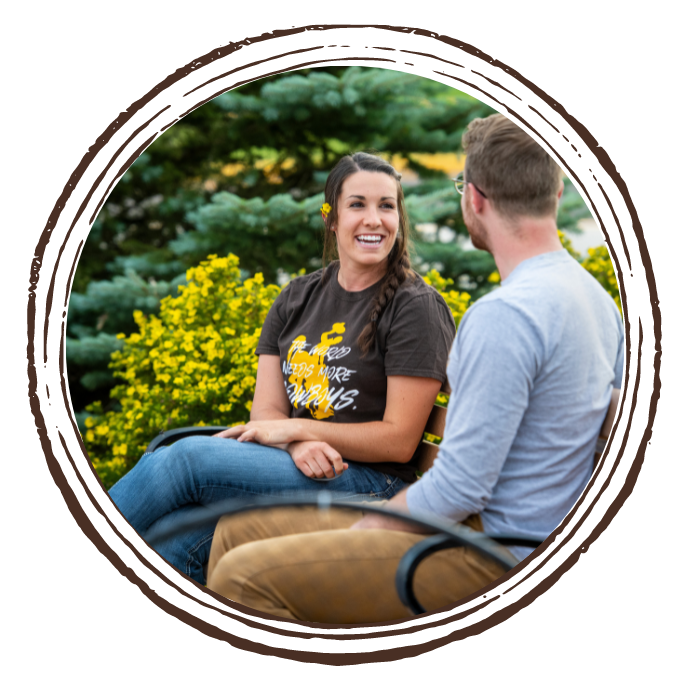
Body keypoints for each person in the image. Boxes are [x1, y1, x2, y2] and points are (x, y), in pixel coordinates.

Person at [206, 114, 626, 623]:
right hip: (490, 527)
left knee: (242, 575)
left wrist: (369, 528)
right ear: (556, 193)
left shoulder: (505, 316)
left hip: (493, 551)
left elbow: (460, 489)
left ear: (473, 199)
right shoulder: (599, 301)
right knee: (234, 530)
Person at [108, 151, 457, 585]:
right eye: (358, 204)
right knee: (173, 542)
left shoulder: (414, 307)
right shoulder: (297, 297)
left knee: (182, 462)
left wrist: (298, 430)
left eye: (387, 206)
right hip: (299, 467)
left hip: (372, 484)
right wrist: (295, 444)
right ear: (330, 218)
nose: (374, 219)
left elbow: (400, 441)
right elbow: (268, 414)